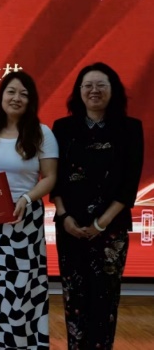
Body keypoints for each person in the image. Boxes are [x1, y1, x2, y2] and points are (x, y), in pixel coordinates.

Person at [51, 62, 144, 349]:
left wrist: (100, 224)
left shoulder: (130, 128)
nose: (94, 90)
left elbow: (130, 183)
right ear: (78, 91)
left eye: (101, 85)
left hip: (110, 228)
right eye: (88, 85)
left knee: (105, 299)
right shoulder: (63, 128)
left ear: (113, 90)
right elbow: (54, 178)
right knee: (74, 297)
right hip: (70, 227)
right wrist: (64, 216)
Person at [0, 71, 57, 349]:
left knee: (20, 284)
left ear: (31, 100)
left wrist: (27, 198)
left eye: (23, 94)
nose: (16, 98)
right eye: (11, 92)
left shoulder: (42, 133)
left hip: (24, 217)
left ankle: (19, 342)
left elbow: (50, 177)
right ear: (1, 96)